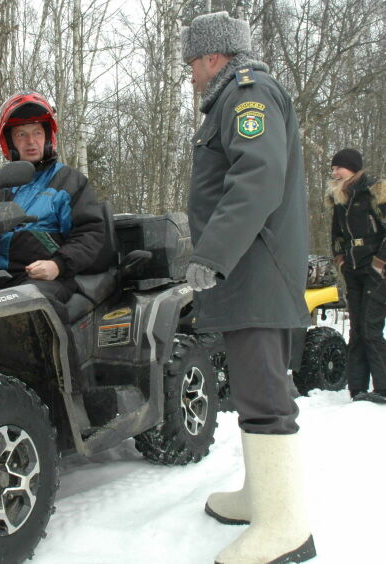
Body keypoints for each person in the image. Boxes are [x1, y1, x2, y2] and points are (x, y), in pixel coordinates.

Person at [181, 11, 316, 564]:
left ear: (214, 57)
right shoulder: (235, 98)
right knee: (254, 389)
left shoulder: (247, 93)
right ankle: (262, 497)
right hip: (249, 273)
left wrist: (211, 255)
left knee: (265, 395)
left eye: (192, 63)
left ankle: (286, 527)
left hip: (252, 271)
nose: (190, 75)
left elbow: (255, 178)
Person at [0, 91, 104, 304]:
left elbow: (90, 233)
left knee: (27, 306)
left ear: (47, 137)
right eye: (21, 134)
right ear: (10, 142)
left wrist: (58, 265)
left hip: (46, 279)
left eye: (37, 132)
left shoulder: (68, 182)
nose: (31, 141)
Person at [327, 148, 386, 404]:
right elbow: (336, 235)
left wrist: (379, 262)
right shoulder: (340, 198)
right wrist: (340, 260)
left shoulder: (375, 191)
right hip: (352, 268)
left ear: (353, 168)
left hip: (377, 269)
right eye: (333, 168)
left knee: (371, 328)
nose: (335, 172)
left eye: (339, 167)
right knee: (357, 329)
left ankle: (383, 387)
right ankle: (358, 388)